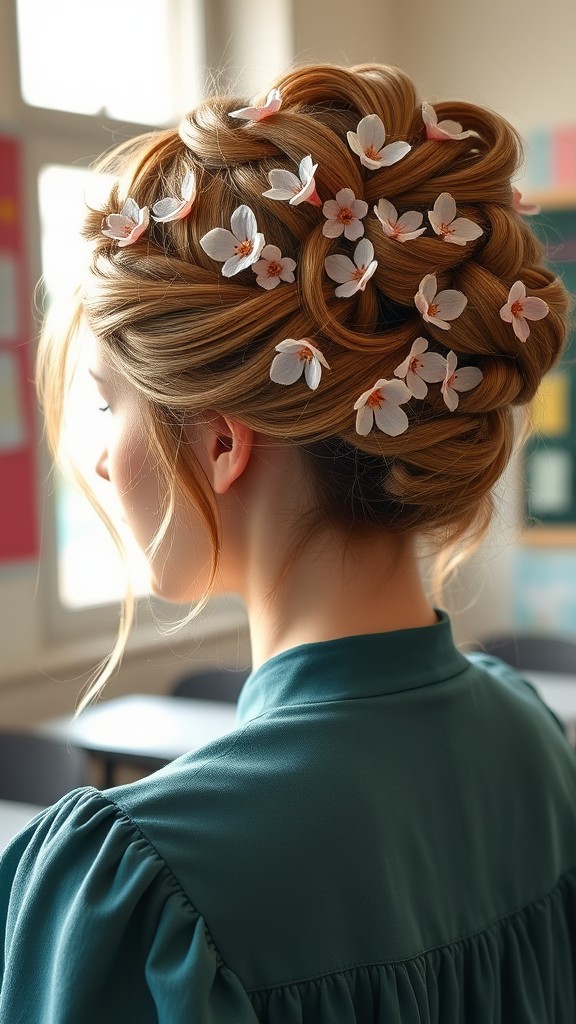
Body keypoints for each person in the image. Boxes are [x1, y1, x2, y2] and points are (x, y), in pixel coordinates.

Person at [1, 61, 575, 1023]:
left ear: (223, 442)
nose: (98, 461)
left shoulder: (143, 882)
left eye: (108, 403)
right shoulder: (528, 738)